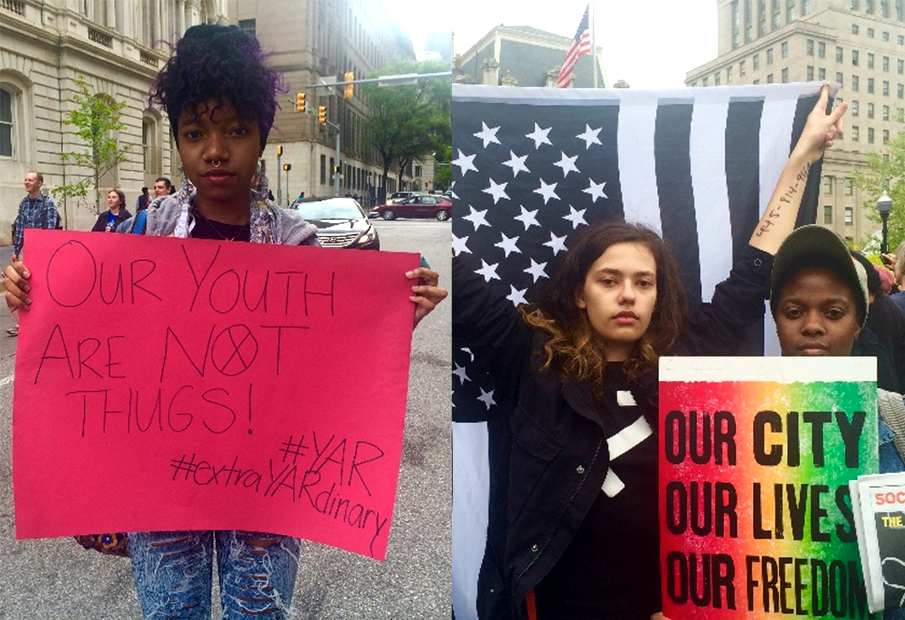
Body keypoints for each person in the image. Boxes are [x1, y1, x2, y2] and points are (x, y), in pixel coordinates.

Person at [3, 23, 446, 619]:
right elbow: (89, 338)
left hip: (266, 497)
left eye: (235, 130)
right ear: (180, 141)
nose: (215, 150)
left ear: (262, 134)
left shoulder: (298, 245)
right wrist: (31, 294)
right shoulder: (145, 232)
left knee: (258, 614)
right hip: (159, 491)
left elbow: (331, 368)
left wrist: (395, 323)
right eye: (195, 133)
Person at [452, 85, 845, 619]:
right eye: (609, 280)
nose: (628, 295)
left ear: (659, 294)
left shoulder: (685, 358)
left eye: (644, 282)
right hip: (556, 605)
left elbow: (754, 272)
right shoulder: (531, 358)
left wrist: (803, 157)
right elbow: (459, 282)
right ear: (579, 292)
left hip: (667, 606)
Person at [769, 225, 905, 620]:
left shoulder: (898, 422)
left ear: (858, 324)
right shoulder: (727, 432)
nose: (812, 325)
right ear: (776, 320)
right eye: (793, 312)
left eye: (834, 312)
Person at [8, 170, 60, 336]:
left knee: (42, 287)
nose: (26, 182)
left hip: (43, 253)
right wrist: (16, 250)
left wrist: (47, 253)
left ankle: (45, 320)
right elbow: (21, 228)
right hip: (28, 252)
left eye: (30, 180)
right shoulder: (24, 203)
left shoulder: (47, 203)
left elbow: (50, 231)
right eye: (25, 180)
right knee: (26, 285)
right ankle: (26, 320)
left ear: (39, 183)